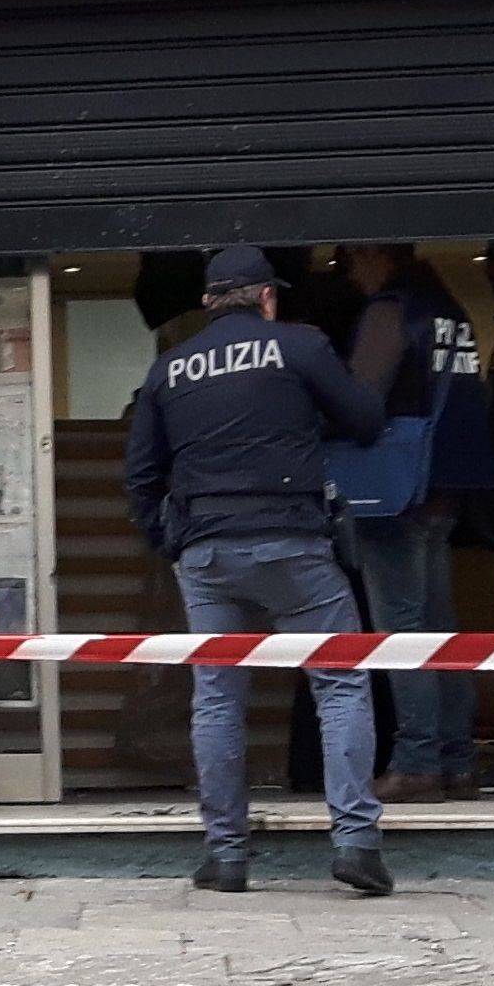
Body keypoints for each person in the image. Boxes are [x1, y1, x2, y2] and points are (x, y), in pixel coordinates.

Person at [125, 246, 393, 897]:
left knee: (217, 696)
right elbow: (365, 420)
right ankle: (355, 843)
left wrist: (172, 541)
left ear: (211, 302)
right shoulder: (298, 349)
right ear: (268, 297)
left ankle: (225, 854)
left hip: (208, 552)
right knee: (340, 682)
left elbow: (140, 473)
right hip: (293, 542)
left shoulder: (169, 369)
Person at [338, 244, 494, 802]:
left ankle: (417, 762)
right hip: (445, 486)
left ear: (374, 257)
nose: (351, 275)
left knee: (402, 634)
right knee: (439, 630)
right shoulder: (449, 309)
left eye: (351, 262)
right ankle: (457, 760)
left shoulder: (391, 309)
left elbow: (361, 399)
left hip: (395, 490)